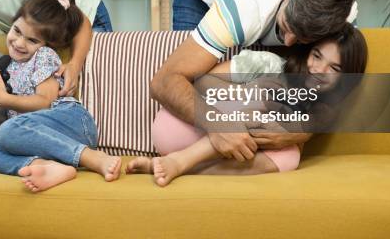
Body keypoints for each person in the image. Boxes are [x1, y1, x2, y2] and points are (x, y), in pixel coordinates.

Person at [152, 0, 358, 160]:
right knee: (190, 94)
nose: (287, 43)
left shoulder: (343, 15)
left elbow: (337, 91)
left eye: (302, 39)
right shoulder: (242, 8)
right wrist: (219, 126)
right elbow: (164, 82)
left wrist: (300, 132)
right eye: (286, 27)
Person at [128, 24, 368, 186]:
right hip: (181, 123)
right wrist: (248, 94)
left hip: (197, 154)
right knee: (266, 101)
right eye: (317, 56)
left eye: (335, 68)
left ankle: (173, 166)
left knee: (289, 158)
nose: (319, 70)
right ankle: (179, 162)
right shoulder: (270, 65)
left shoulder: (319, 110)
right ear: (307, 52)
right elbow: (201, 84)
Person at [0, 0, 121, 192]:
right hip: (39, 141)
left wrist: (6, 99)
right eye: (16, 31)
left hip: (72, 123)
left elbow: (45, 101)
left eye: (32, 40)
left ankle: (92, 157)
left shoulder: (44, 57)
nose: (19, 43)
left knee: (8, 129)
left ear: (46, 44)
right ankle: (46, 167)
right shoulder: (4, 65)